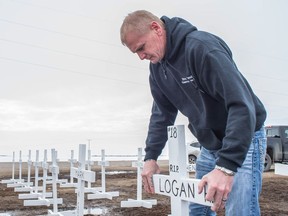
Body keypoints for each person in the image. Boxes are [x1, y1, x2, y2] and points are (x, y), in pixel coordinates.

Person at [120, 10, 267, 216]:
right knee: (198, 209)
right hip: (209, 144)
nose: (141, 57)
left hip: (245, 138)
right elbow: (162, 114)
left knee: (240, 210)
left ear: (156, 28)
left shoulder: (202, 49)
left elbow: (242, 105)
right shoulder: (157, 68)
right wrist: (151, 157)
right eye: (136, 52)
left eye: (142, 48)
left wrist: (226, 167)